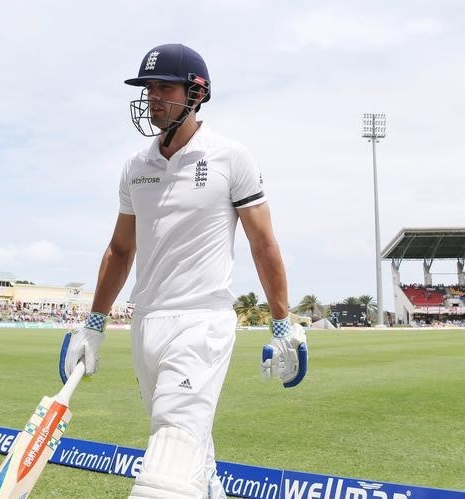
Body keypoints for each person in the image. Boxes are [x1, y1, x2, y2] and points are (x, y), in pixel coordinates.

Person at [58, 43, 307, 499]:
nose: (153, 97)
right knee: (190, 449)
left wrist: (281, 322)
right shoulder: (136, 166)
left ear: (197, 93)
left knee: (168, 462)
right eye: (148, 89)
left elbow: (263, 243)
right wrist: (93, 324)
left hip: (201, 323)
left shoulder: (231, 157)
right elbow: (119, 249)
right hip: (146, 322)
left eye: (164, 87)